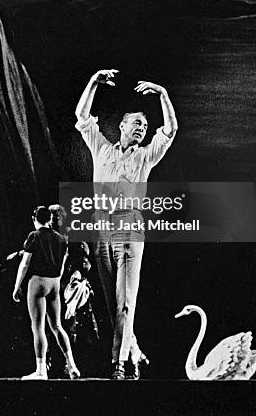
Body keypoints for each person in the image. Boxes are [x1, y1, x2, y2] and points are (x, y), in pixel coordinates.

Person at [75, 69, 177, 379]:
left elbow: (169, 131)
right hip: (101, 230)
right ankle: (131, 348)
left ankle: (117, 365)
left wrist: (163, 94)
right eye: (137, 124)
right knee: (111, 303)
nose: (142, 129)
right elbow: (82, 116)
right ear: (121, 126)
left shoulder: (146, 156)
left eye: (145, 126)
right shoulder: (102, 148)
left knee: (125, 301)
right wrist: (93, 81)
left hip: (129, 229)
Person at [12, 206, 80, 380]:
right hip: (55, 284)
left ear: (34, 219)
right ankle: (72, 365)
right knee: (57, 326)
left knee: (38, 328)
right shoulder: (60, 238)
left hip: (38, 283)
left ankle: (41, 370)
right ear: (49, 219)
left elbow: (25, 264)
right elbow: (63, 265)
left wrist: (17, 286)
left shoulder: (34, 236)